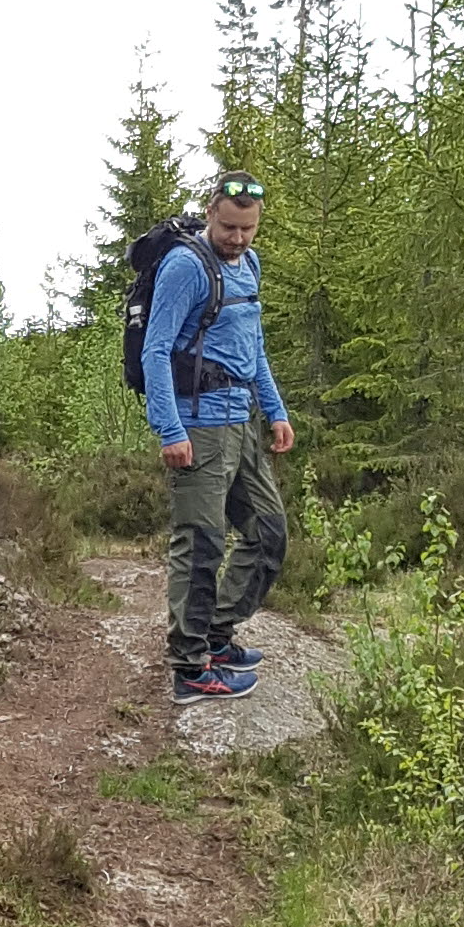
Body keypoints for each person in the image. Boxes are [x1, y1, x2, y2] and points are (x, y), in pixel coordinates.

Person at [140, 172, 293, 703]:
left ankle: (218, 635)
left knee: (268, 532)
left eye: (248, 228)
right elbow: (155, 351)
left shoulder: (249, 264)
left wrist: (275, 410)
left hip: (241, 421)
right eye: (229, 227)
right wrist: (169, 428)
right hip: (197, 426)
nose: (238, 238)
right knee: (201, 544)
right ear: (210, 214)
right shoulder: (186, 267)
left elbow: (254, 347)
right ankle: (189, 667)